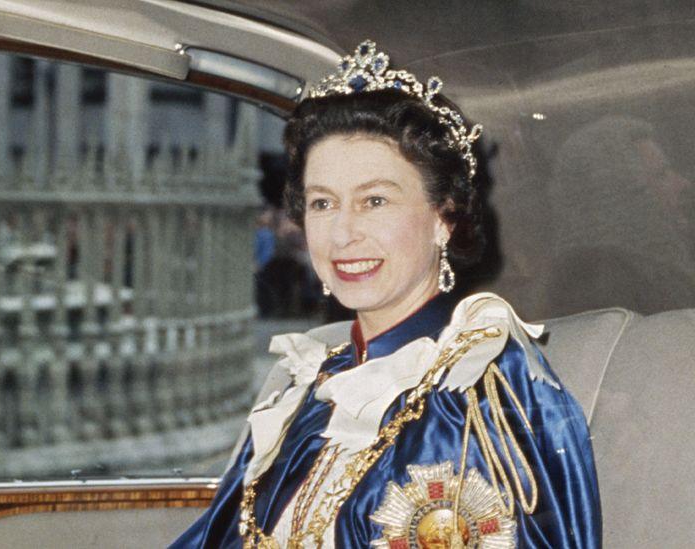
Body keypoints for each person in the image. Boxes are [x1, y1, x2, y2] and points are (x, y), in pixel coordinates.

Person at [172, 39, 600, 548]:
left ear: (443, 217)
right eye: (323, 203)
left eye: (375, 200)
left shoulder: (487, 395)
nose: (344, 232)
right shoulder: (311, 385)